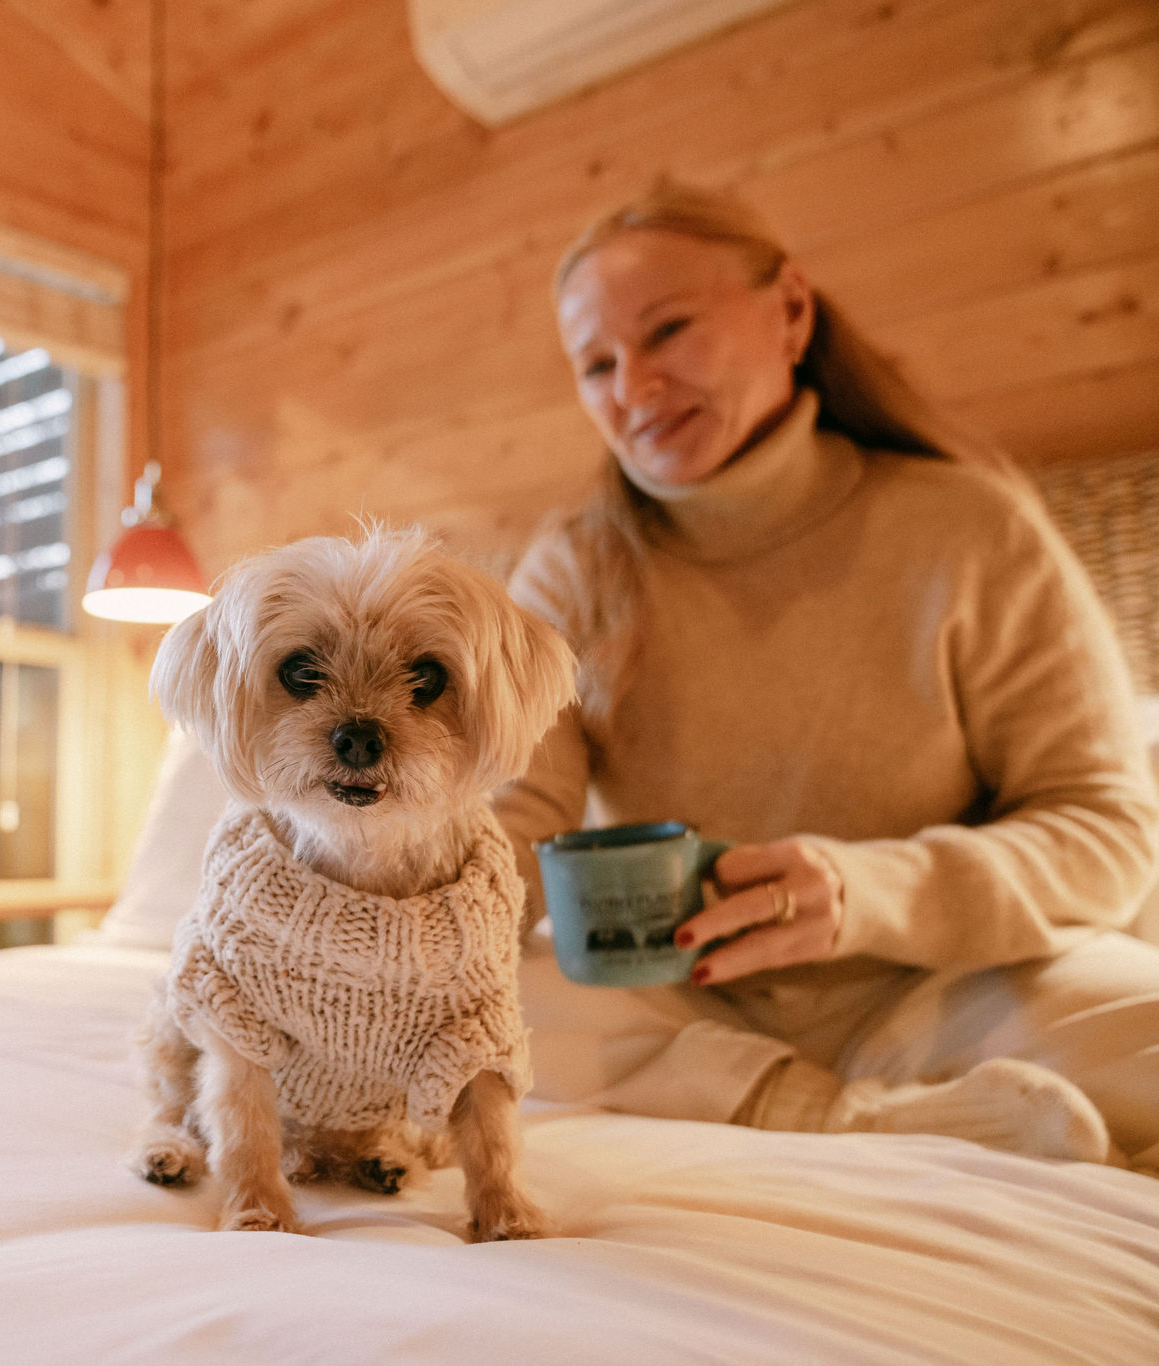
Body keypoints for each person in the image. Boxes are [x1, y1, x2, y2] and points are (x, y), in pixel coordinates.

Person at [493, 180, 1159, 1172]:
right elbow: (508, 830)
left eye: (666, 331)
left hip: (940, 986)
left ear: (790, 311)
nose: (629, 391)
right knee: (472, 1002)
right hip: (676, 1004)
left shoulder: (967, 527)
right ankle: (833, 1117)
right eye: (594, 365)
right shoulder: (569, 568)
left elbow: (1105, 834)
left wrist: (861, 890)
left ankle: (846, 1097)